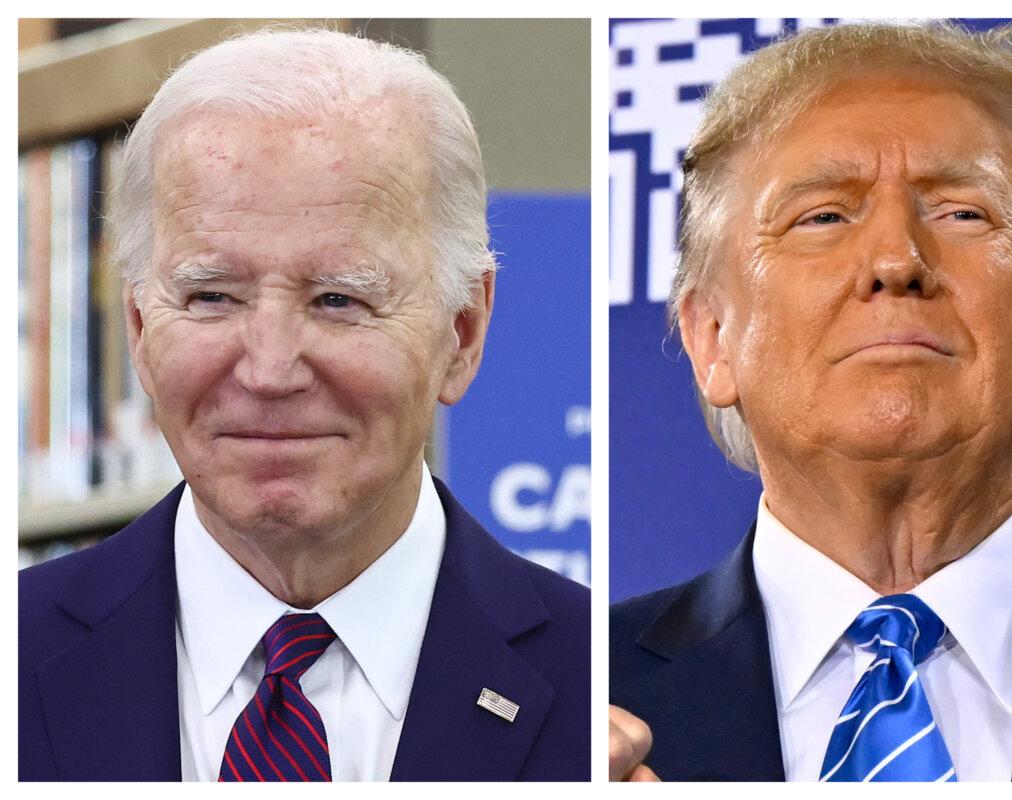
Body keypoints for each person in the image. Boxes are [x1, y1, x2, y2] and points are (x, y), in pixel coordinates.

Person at [609, 22, 1012, 782]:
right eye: (824, 216)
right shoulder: (569, 705)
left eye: (961, 212)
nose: (895, 260)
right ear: (713, 341)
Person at [19, 28, 588, 782]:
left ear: (463, 333)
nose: (268, 370)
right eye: (212, 296)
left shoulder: (608, 691)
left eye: (338, 300)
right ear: (138, 328)